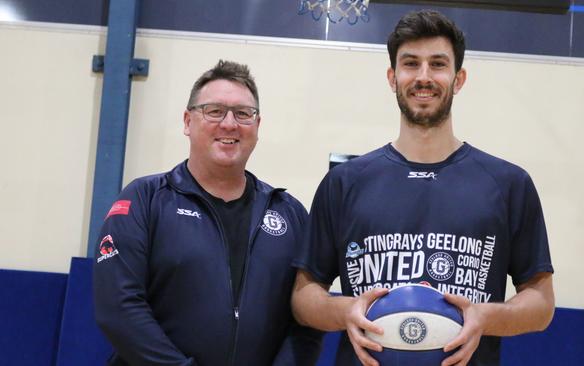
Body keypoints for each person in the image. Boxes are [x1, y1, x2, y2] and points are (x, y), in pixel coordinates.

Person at [291, 10, 555, 366]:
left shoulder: (508, 183)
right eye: (411, 64)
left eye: (438, 64)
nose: (424, 77)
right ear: (392, 76)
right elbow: (304, 297)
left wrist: (485, 317)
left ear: (459, 79)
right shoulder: (346, 182)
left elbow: (540, 303)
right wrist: (347, 310)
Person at [94, 60, 321, 365]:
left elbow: (305, 319)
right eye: (214, 111)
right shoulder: (144, 200)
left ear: (257, 126)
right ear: (188, 122)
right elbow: (118, 307)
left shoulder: (290, 213)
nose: (229, 124)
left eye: (243, 114)